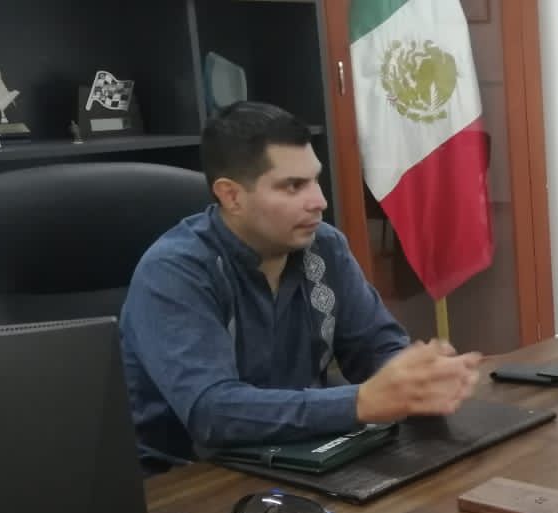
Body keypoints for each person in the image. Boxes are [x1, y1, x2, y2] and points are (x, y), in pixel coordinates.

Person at [121, 101, 480, 472]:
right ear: (231, 196)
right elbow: (211, 413)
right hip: (189, 477)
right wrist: (360, 402)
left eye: (315, 180)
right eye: (293, 186)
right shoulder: (174, 271)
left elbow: (374, 347)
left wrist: (417, 378)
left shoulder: (325, 245)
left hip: (299, 457)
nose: (319, 202)